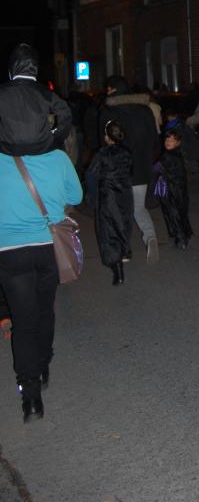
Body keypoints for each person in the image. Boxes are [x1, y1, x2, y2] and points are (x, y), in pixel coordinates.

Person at [0, 144, 82, 422]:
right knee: (45, 308)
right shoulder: (56, 157)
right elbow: (76, 195)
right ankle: (43, 365)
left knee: (23, 321)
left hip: (10, 251)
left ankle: (31, 399)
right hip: (49, 246)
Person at [100, 76, 159, 263]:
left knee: (120, 210)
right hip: (142, 168)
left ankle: (124, 250)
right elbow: (154, 139)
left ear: (113, 90)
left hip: (119, 169)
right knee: (138, 208)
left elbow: (103, 141)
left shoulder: (110, 112)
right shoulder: (146, 110)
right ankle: (150, 237)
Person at [0, 43, 73, 155]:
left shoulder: (2, 91)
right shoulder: (45, 92)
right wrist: (53, 137)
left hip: (6, 149)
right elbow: (65, 114)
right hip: (41, 148)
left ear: (12, 67)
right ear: (35, 68)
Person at [89, 119, 134, 286]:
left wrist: (92, 196)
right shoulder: (127, 153)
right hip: (124, 194)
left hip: (108, 196)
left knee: (109, 230)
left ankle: (117, 269)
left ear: (107, 136)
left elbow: (91, 175)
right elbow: (130, 172)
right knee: (122, 224)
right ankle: (124, 252)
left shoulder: (103, 154)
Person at [154, 126, 193, 249]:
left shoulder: (168, 156)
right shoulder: (177, 153)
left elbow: (157, 168)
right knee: (180, 212)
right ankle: (185, 234)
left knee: (173, 213)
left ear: (178, 142)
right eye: (166, 139)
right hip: (178, 188)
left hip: (172, 189)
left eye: (171, 140)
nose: (167, 142)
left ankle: (181, 239)